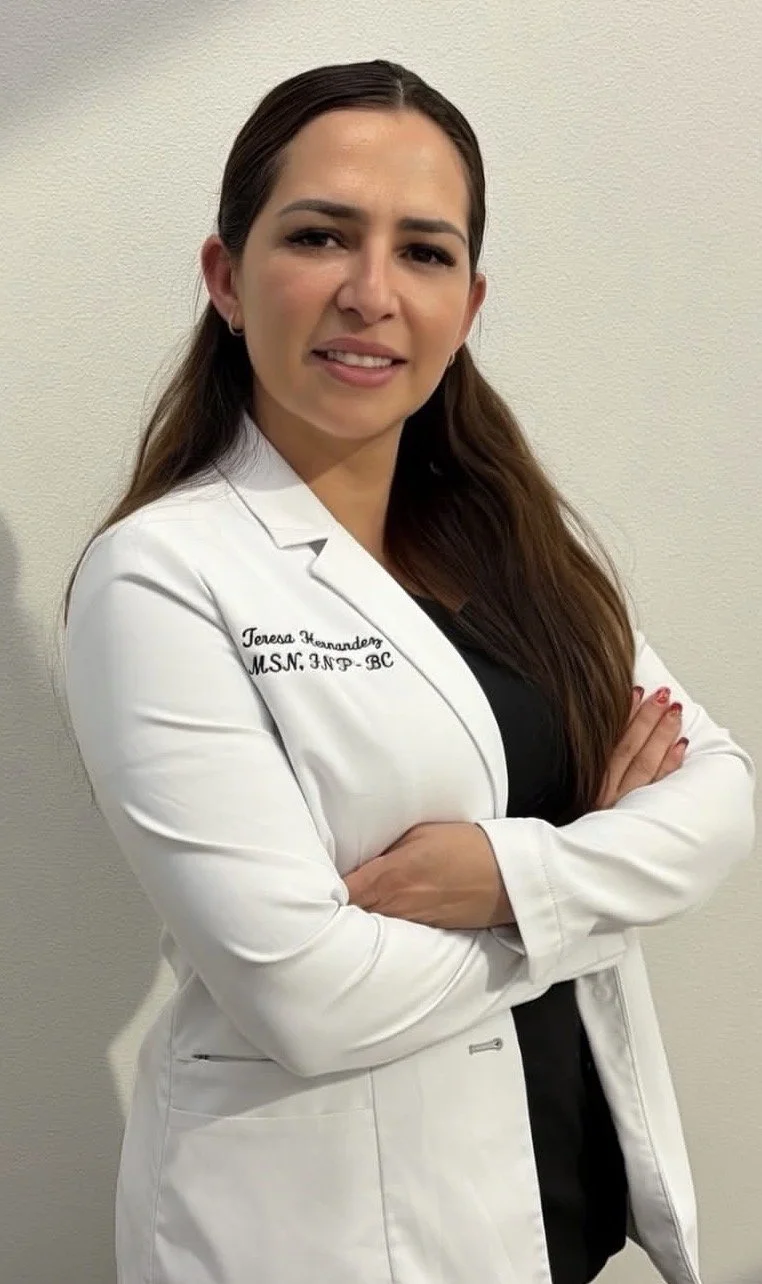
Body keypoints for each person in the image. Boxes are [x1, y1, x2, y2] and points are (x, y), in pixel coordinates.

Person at [62, 58, 755, 1284]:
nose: (371, 293)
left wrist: (507, 870)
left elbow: (720, 797)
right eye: (322, 235)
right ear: (226, 278)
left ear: (470, 302)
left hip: (558, 1214)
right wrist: (598, 871)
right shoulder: (161, 576)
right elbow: (310, 1000)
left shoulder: (510, 543)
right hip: (320, 1238)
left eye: (424, 252)